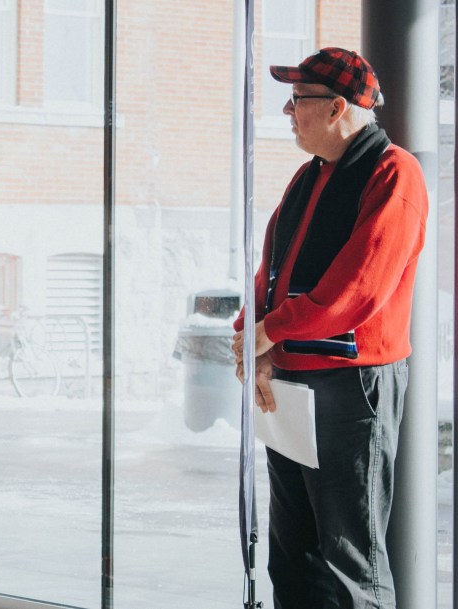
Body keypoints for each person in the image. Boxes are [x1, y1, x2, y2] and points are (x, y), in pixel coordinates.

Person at [232, 48, 428, 609]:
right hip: (291, 385)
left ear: (338, 106)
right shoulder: (310, 174)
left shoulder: (395, 173)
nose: (288, 112)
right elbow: (272, 268)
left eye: (298, 100)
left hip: (352, 387)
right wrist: (255, 339)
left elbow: (358, 288)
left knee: (349, 560)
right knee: (291, 552)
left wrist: (267, 333)